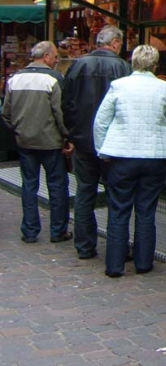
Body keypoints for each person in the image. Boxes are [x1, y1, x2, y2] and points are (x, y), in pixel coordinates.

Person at [93, 45, 166, 278]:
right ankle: (143, 263)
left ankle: (114, 265)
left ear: (132, 62)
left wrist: (102, 150)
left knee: (118, 210)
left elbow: (101, 121)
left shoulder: (118, 86)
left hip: (122, 155)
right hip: (154, 157)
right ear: (155, 65)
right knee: (146, 211)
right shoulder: (164, 88)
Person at [62, 25, 132, 260]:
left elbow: (67, 102)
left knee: (85, 192)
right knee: (116, 195)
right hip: (114, 142)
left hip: (83, 140)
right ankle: (117, 247)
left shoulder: (79, 65)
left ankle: (84, 246)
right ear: (115, 43)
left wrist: (71, 134)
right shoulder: (123, 67)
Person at [2, 41, 72, 244]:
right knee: (57, 185)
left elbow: (6, 113)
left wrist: (18, 130)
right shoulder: (54, 78)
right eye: (55, 56)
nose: (57, 60)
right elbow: (60, 113)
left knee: (29, 185)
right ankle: (58, 230)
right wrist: (67, 136)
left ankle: (30, 230)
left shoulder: (15, 79)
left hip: (24, 141)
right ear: (47, 56)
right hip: (50, 141)